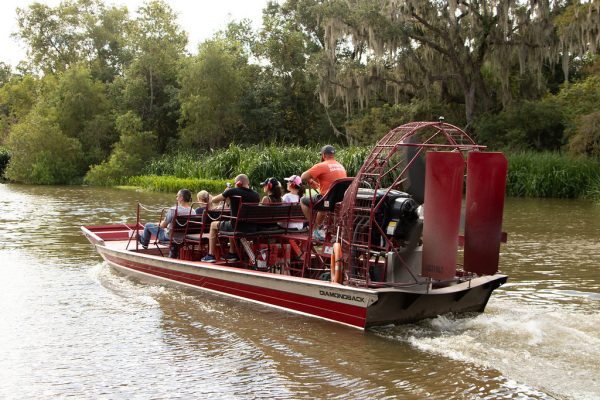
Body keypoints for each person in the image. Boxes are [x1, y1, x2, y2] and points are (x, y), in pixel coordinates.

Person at [201, 174, 260, 263]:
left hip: (237, 226)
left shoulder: (232, 191)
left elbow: (214, 200)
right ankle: (232, 253)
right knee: (230, 222)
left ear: (238, 183)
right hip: (251, 227)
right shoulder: (256, 195)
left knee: (213, 224)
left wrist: (226, 192)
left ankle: (210, 255)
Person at [300, 145, 347, 239]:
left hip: (327, 201)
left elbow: (303, 177)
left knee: (303, 201)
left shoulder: (322, 165)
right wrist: (313, 182)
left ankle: (315, 229)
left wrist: (310, 180)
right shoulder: (340, 166)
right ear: (333, 155)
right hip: (339, 200)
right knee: (323, 202)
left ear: (323, 155)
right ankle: (322, 228)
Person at [138, 188, 196, 257]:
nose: (176, 198)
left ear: (181, 198)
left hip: (170, 237)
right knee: (170, 230)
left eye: (177, 196)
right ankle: (173, 255)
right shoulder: (193, 211)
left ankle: (144, 242)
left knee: (148, 225)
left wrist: (158, 224)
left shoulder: (173, 210)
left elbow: (163, 225)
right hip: (184, 237)